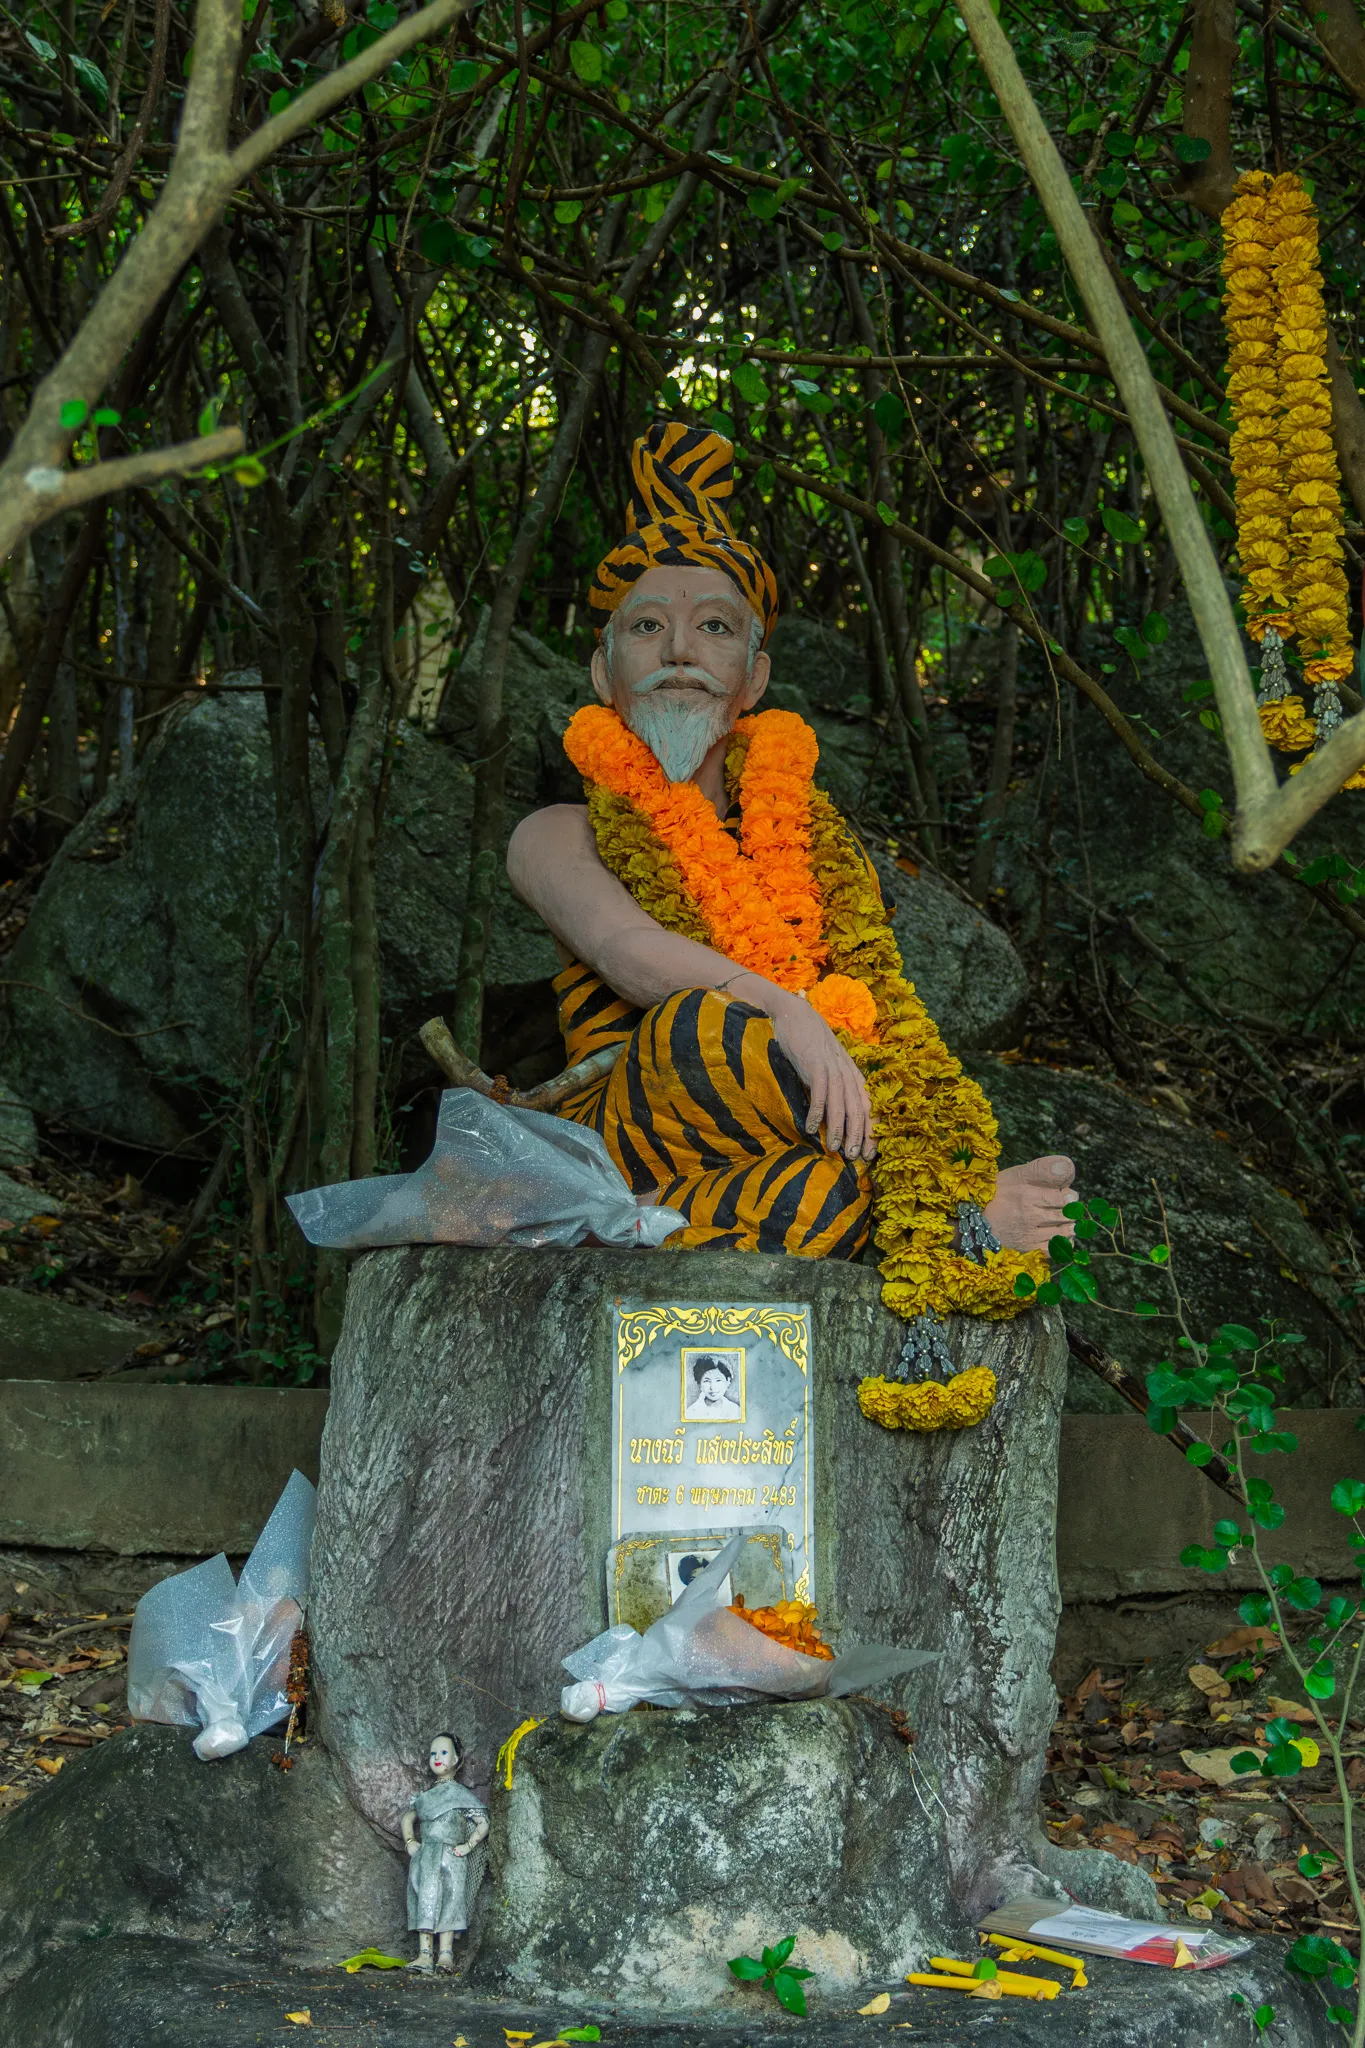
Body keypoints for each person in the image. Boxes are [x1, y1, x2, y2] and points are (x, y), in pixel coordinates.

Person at [508, 422, 1076, 1400]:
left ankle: (915, 1201)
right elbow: (628, 949)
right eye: (646, 626)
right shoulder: (558, 830)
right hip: (655, 1117)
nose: (680, 649)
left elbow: (880, 1002)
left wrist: (863, 1057)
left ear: (755, 680)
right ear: (603, 672)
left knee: (817, 1195)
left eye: (715, 626)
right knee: (699, 1023)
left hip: (773, 1160)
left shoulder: (812, 835)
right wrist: (787, 1008)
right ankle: (952, 1203)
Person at [402, 1731, 489, 1975]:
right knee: (424, 1899)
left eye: (443, 1753)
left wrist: (468, 1845)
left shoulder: (461, 1795)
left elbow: (483, 1823)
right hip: (426, 1856)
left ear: (456, 1760)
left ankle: (446, 1953)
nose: (437, 1758)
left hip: (452, 1857)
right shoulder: (426, 1798)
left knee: (451, 1901)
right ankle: (424, 1953)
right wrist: (410, 1841)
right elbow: (409, 1817)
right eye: (433, 1753)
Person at [685, 1353, 742, 1420]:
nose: (713, 1387)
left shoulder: (735, 1411)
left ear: (727, 1381)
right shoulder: (691, 1413)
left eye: (718, 1380)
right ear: (699, 1384)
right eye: (707, 1381)